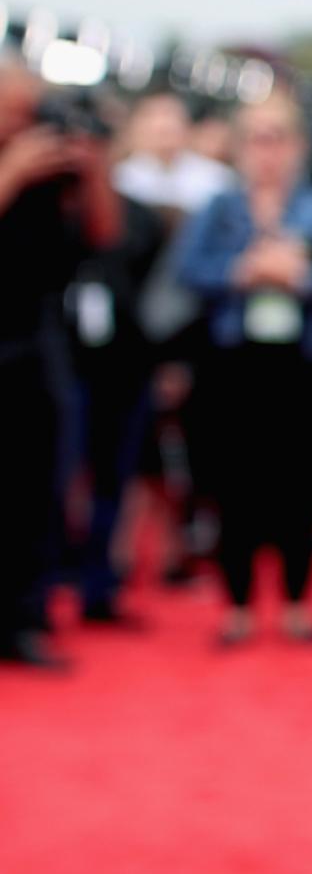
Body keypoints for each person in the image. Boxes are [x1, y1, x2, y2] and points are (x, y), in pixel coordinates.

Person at [175, 95, 312, 647]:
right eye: (257, 138)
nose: (268, 151)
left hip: (304, 365)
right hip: (235, 364)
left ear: (299, 146)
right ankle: (237, 605)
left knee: (300, 487)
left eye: (278, 137)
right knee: (234, 486)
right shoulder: (218, 206)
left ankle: (297, 603)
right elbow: (190, 270)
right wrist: (242, 272)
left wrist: (297, 277)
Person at [0, 61, 121, 670]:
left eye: (34, 110)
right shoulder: (17, 165)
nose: (29, 125)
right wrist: (11, 173)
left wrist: (93, 167)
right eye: (17, 111)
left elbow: (103, 234)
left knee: (37, 480)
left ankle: (24, 615)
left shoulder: (55, 168)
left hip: (39, 334)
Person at [61, 185, 170, 626]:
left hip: (126, 368)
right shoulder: (42, 207)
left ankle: (100, 586)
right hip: (57, 363)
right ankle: (41, 590)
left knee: (115, 480)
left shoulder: (139, 216)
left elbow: (161, 295)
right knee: (52, 481)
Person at [112, 90, 234, 220]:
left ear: (187, 125)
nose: (163, 123)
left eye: (170, 115)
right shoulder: (119, 179)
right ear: (134, 128)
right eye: (151, 117)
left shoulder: (218, 179)